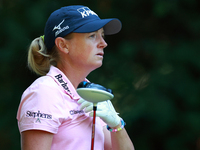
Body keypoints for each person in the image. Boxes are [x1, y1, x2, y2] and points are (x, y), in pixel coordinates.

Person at [16, 5, 134, 150]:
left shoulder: (92, 92)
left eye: (102, 35)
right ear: (63, 45)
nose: (104, 43)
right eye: (92, 36)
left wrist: (117, 125)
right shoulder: (43, 92)